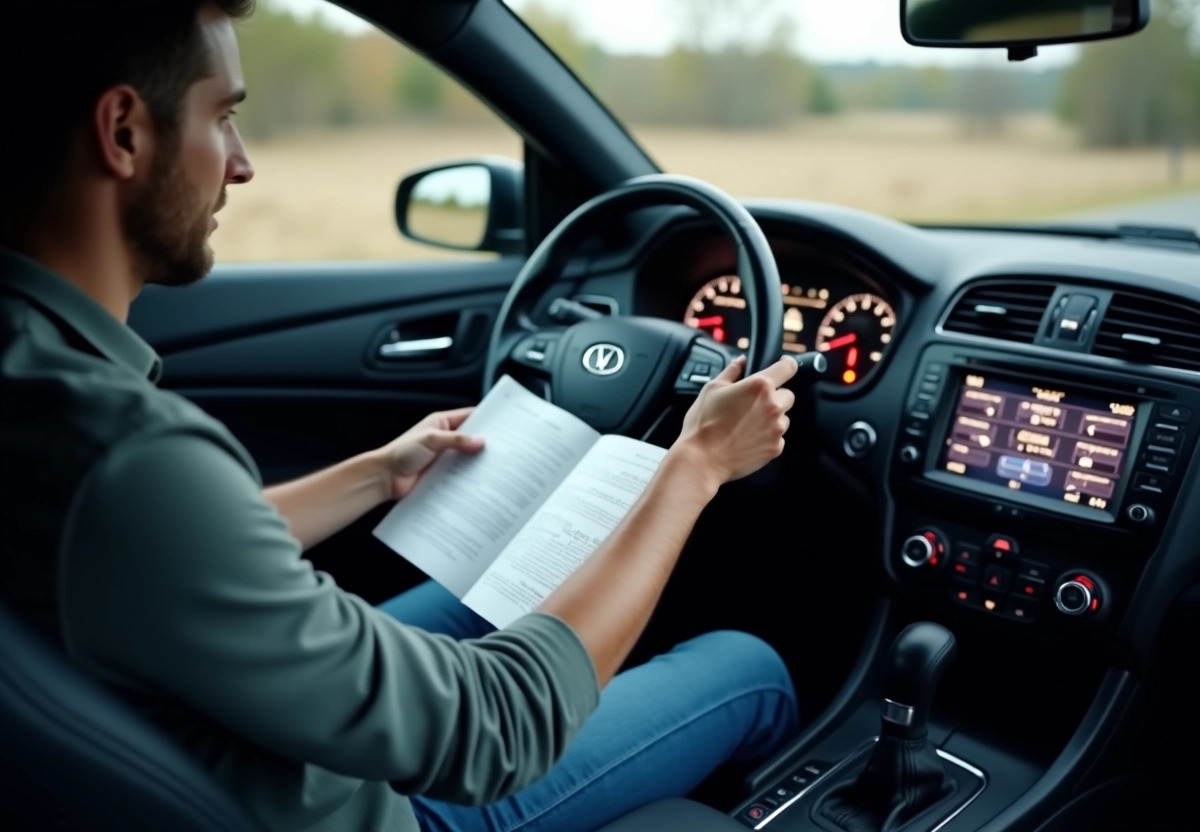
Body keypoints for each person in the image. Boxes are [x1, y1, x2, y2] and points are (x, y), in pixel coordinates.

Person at [0, 2, 801, 831]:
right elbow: (498, 728)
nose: (240, 166)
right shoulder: (129, 456)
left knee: (490, 601)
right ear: (124, 131)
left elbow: (156, 549)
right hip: (366, 804)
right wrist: (694, 468)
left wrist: (378, 473)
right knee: (750, 668)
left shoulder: (45, 388)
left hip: (239, 733)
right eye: (223, 117)